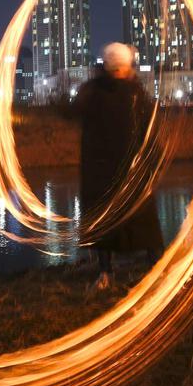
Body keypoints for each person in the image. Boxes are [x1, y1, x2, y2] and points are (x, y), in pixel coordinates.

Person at [72, 42, 163, 290]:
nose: (121, 72)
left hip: (124, 173)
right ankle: (108, 273)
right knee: (112, 228)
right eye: (118, 68)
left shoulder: (133, 93)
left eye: (123, 67)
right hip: (111, 173)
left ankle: (151, 270)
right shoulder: (106, 92)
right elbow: (76, 112)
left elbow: (147, 130)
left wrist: (152, 159)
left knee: (139, 225)